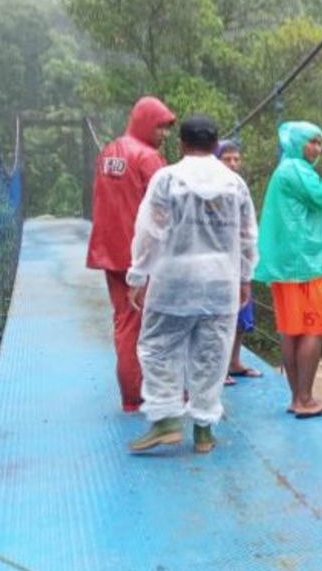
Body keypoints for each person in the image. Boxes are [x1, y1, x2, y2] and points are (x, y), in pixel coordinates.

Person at [126, 115, 258, 454]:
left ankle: (167, 419)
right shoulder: (235, 184)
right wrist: (245, 277)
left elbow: (149, 231)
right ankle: (203, 431)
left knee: (157, 347)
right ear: (216, 147)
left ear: (182, 144)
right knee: (212, 354)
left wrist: (138, 275)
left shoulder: (167, 179)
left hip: (174, 279)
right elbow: (247, 237)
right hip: (220, 280)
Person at [254, 121, 322, 419]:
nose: (317, 148)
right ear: (297, 143)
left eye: (320, 143)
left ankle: (297, 397)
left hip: (288, 266)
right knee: (312, 329)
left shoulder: (292, 171)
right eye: (312, 142)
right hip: (304, 265)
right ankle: (305, 398)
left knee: (291, 330)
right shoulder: (294, 169)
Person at [86, 96, 176, 413]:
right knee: (154, 327)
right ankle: (145, 395)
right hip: (142, 258)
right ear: (146, 122)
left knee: (125, 322)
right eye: (161, 127)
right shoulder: (149, 159)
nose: (164, 135)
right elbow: (167, 211)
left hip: (109, 252)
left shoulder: (108, 151)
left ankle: (130, 396)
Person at [215, 140, 263, 386]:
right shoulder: (208, 186)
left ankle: (234, 362)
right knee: (221, 318)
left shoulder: (240, 187)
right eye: (227, 159)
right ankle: (218, 370)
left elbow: (248, 227)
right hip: (218, 265)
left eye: (236, 159)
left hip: (239, 262)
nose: (233, 164)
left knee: (241, 317)